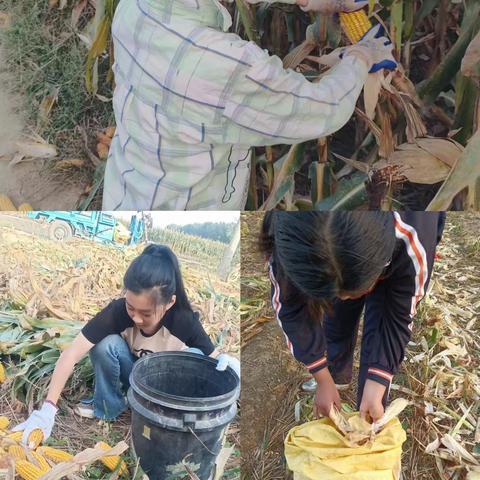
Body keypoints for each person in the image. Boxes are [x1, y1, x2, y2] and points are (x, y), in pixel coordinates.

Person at [102, 0, 397, 210]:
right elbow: (325, 109)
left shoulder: (136, 8)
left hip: (127, 190)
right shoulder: (222, 65)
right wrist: (361, 57)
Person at [13, 244, 239, 445]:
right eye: (132, 308)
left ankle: (170, 418)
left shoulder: (183, 320)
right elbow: (72, 353)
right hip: (135, 377)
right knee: (105, 344)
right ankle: (110, 406)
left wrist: (228, 364)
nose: (136, 319)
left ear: (169, 303)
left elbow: (214, 360)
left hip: (166, 389)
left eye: (146, 313)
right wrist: (48, 408)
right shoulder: (117, 312)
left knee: (195, 354)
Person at [260, 212, 446, 421]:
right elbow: (291, 309)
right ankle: (337, 375)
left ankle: (369, 399)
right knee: (337, 314)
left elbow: (397, 316)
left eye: (353, 291)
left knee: (377, 325)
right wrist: (322, 377)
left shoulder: (413, 238)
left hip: (396, 250)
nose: (345, 298)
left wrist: (378, 382)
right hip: (346, 258)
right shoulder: (287, 245)